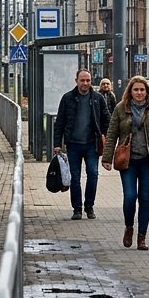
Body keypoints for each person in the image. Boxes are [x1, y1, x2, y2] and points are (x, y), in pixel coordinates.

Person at [101, 75, 149, 251]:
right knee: (130, 196)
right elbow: (111, 134)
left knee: (145, 198)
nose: (139, 93)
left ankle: (142, 237)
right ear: (130, 92)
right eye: (136, 89)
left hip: (148, 160)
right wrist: (107, 158)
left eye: (142, 90)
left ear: (147, 92)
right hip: (128, 161)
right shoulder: (120, 108)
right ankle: (129, 227)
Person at [51, 69, 110, 221]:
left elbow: (106, 119)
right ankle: (77, 209)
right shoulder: (67, 98)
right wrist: (57, 143)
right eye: (82, 80)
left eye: (88, 80)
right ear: (76, 80)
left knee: (93, 174)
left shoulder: (97, 98)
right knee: (74, 177)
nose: (85, 83)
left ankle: (89, 206)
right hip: (73, 144)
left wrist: (105, 135)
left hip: (92, 144)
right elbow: (60, 122)